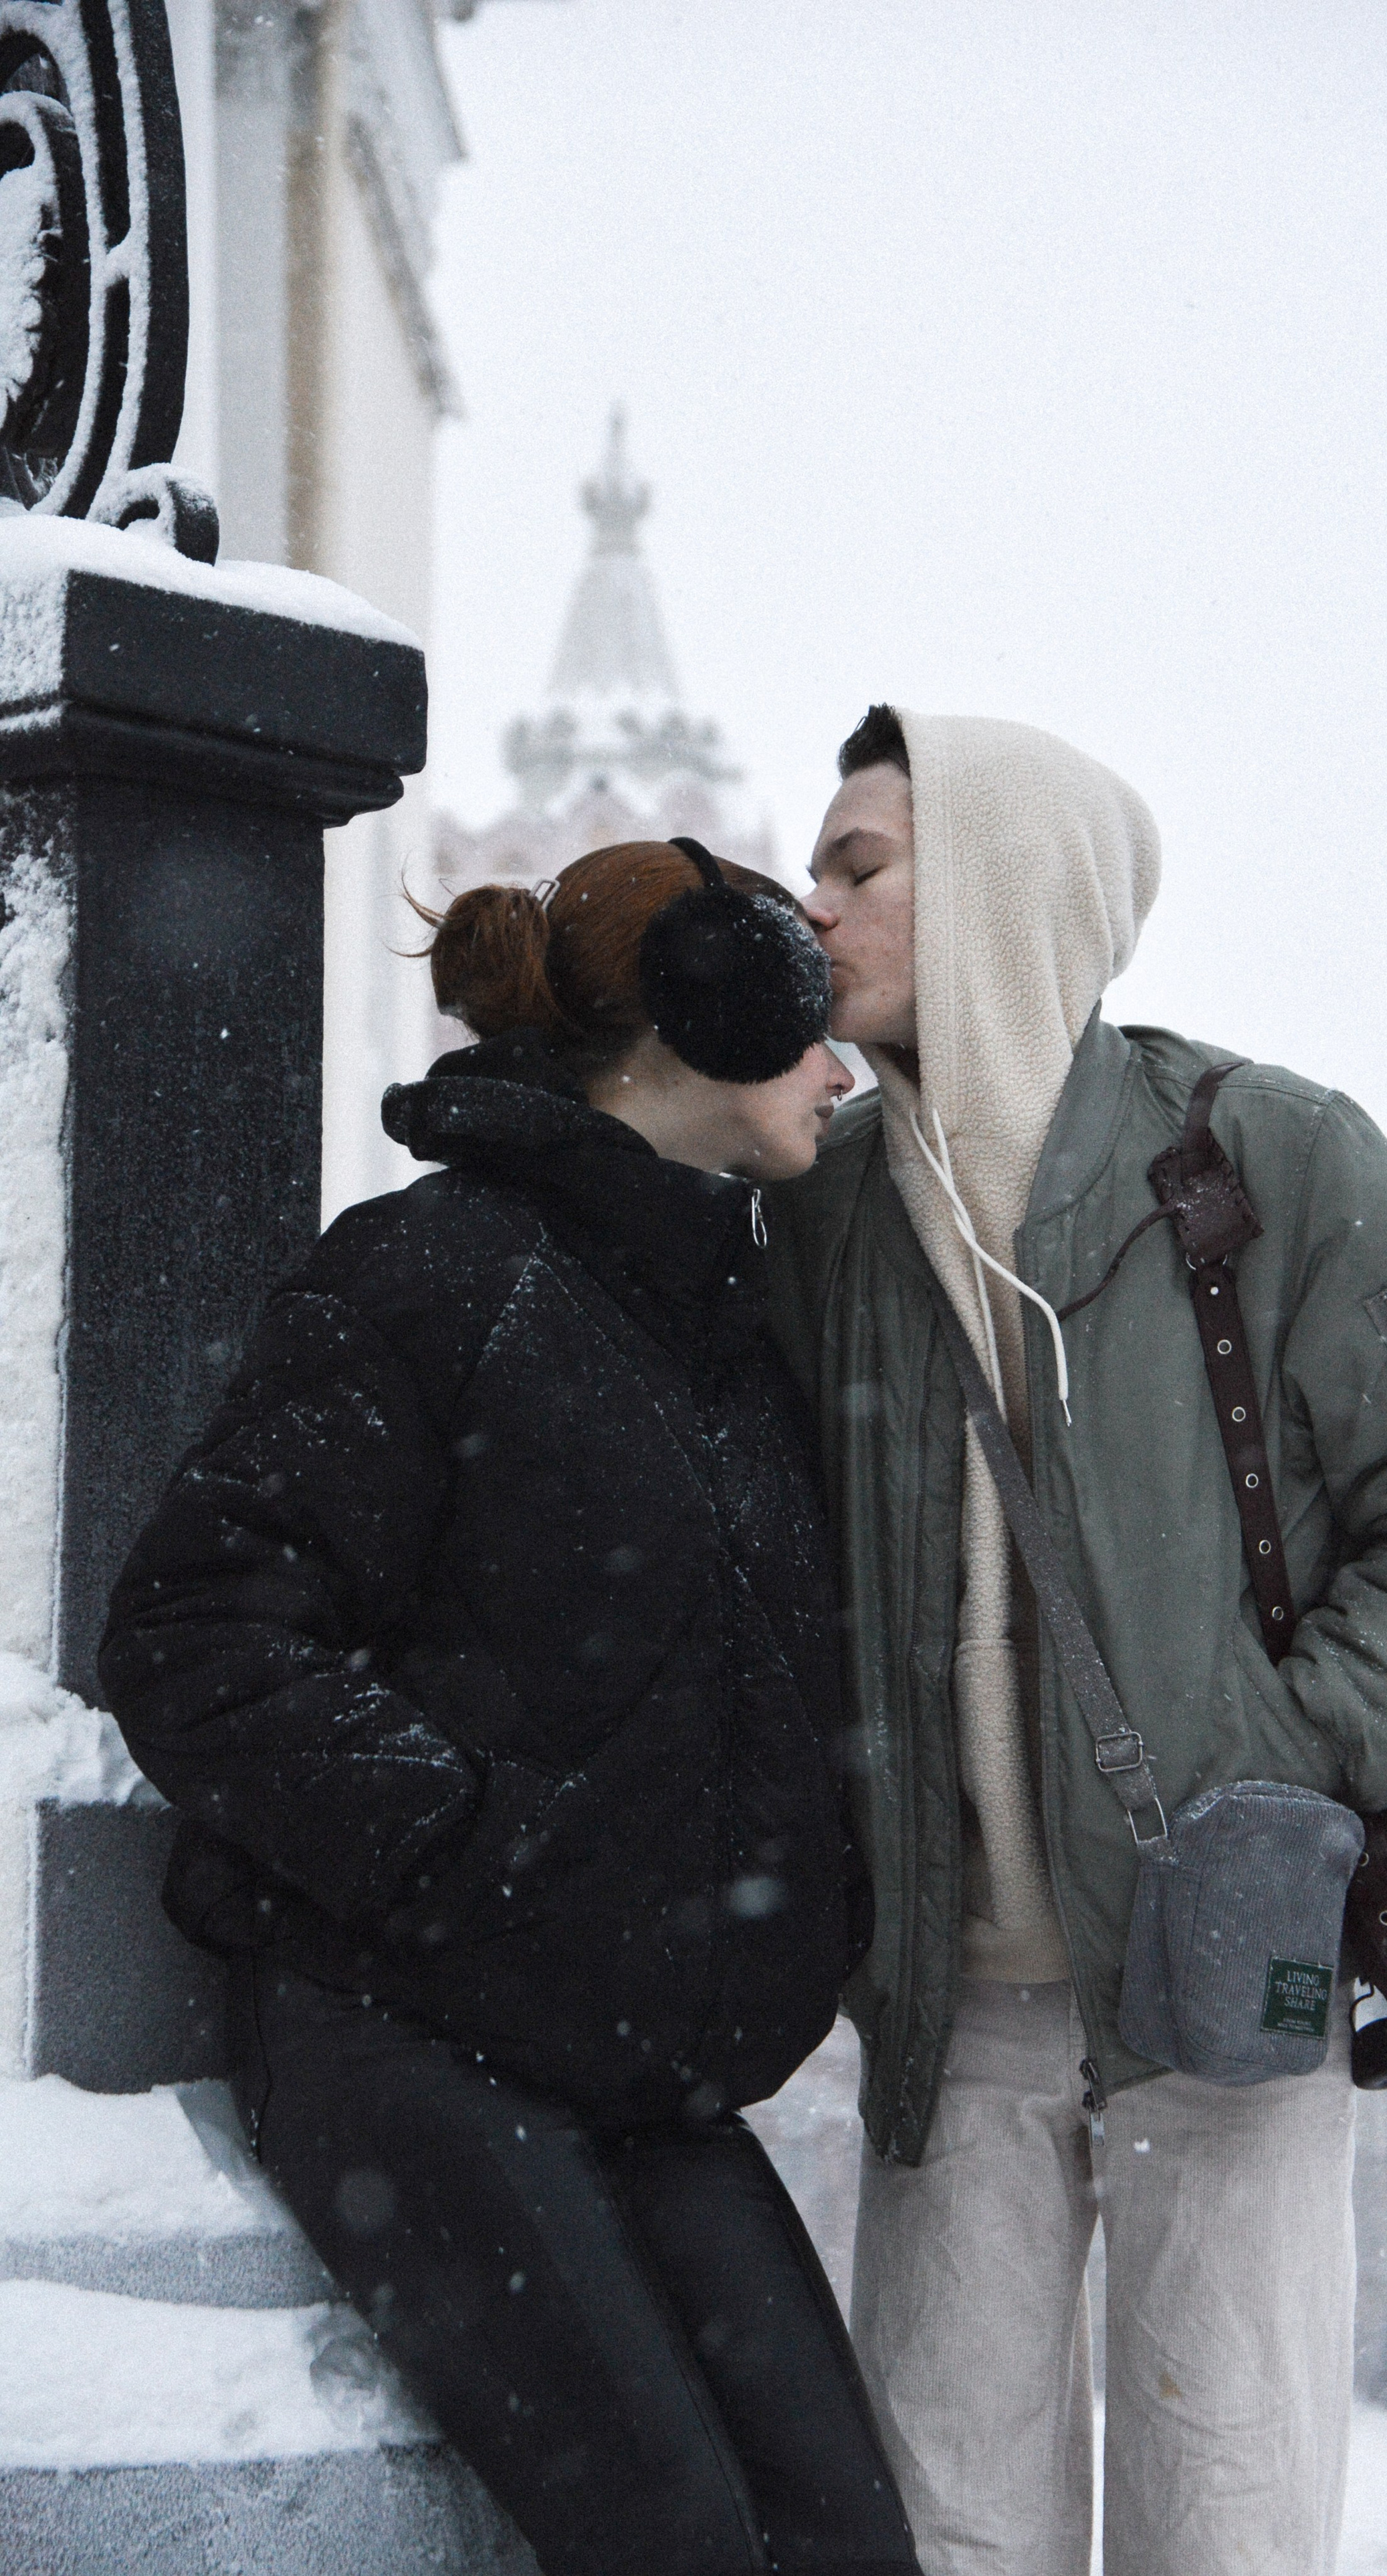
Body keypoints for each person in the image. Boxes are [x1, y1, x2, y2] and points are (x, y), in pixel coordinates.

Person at [766, 708, 1387, 2576]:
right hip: (941, 2005)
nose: (814, 903)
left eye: (861, 864)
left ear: (997, 884)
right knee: (946, 2526)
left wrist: (1279, 1766)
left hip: (1229, 1987)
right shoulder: (810, 1214)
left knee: (1224, 2521)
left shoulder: (1261, 1158)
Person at [99, 839, 924, 2576]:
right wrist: (473, 1854)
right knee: (677, 2538)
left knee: (847, 2537)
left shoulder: (725, 1332)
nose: (843, 1068)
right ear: (701, 1019)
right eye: (807, 1028)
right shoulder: (427, 1275)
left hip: (631, 2056)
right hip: (407, 2028)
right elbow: (196, 1634)